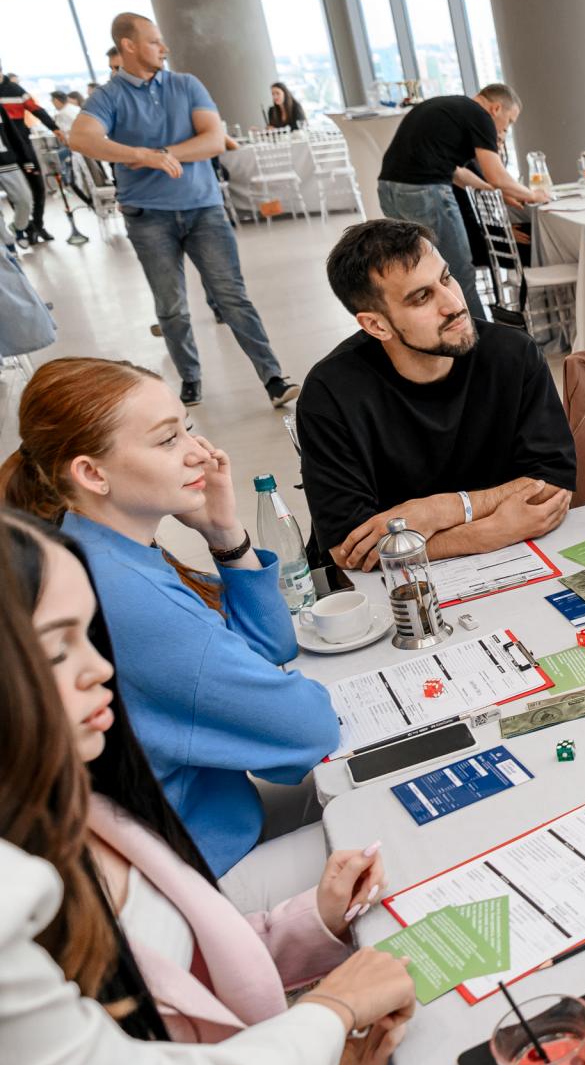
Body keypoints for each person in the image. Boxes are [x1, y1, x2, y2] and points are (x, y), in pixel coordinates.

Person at [0, 514, 420, 1065]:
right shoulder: (21, 908)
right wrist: (331, 1013)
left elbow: (186, 969)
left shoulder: (84, 809)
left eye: (89, 636)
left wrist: (314, 919)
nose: (101, 668)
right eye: (59, 650)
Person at [1, 358, 340, 907]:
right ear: (92, 474)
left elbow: (271, 648)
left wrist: (224, 533)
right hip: (194, 879)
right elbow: (310, 729)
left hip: (206, 826)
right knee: (393, 819)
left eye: (187, 427)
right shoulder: (124, 590)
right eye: (166, 440)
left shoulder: (97, 545)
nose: (199, 451)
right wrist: (284, 693)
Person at [302, 218, 576, 569]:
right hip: (390, 588)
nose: (454, 304)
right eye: (422, 297)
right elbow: (347, 548)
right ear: (376, 325)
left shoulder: (513, 354)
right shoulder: (330, 393)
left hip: (518, 564)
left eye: (446, 278)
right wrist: (483, 534)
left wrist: (442, 509)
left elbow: (552, 483)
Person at [67, 13, 299, 410]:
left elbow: (213, 140)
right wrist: (140, 155)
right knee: (171, 307)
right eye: (154, 41)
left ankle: (273, 378)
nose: (164, 48)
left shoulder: (186, 84)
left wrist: (160, 154)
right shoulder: (109, 96)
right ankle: (190, 379)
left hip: (204, 210)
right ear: (129, 46)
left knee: (232, 297)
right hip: (148, 216)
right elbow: (81, 137)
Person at [375, 82, 548, 323]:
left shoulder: (449, 108)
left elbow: (457, 172)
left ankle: (435, 331)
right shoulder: (481, 116)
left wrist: (496, 191)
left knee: (421, 271)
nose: (505, 130)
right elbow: (496, 175)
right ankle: (477, 338)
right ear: (496, 108)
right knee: (458, 273)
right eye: (509, 122)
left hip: (389, 190)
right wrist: (532, 195)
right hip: (425, 192)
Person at [0, 71, 58, 245]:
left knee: (37, 187)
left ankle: (37, 225)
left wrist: (55, 128)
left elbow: (36, 109)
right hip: (6, 155)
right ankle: (26, 229)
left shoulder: (16, 90)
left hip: (23, 150)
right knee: (15, 194)